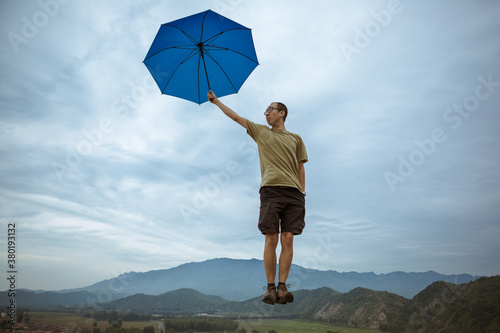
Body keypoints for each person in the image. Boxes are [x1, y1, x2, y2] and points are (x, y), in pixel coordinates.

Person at [208, 90, 308, 305]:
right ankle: (270, 288)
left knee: (288, 238)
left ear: (282, 113)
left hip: (294, 194)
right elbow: (236, 117)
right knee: (271, 237)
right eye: (265, 111)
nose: (266, 114)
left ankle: (283, 286)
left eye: (270, 110)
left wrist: (302, 190)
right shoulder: (261, 131)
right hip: (271, 190)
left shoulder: (296, 138)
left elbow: (300, 165)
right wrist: (216, 101)